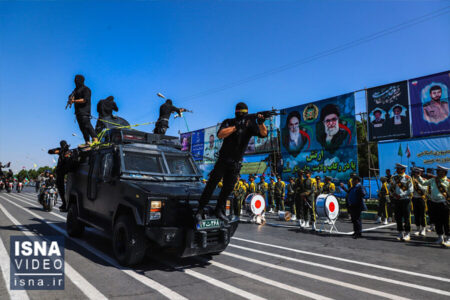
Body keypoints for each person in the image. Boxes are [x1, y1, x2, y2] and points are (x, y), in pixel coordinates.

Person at [195, 102, 267, 222]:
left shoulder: (250, 125)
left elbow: (264, 134)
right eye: (242, 113)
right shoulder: (229, 122)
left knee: (227, 189)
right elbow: (220, 134)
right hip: (223, 160)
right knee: (211, 186)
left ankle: (219, 210)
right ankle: (200, 210)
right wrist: (236, 127)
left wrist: (261, 123)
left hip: (236, 163)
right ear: (236, 113)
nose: (243, 116)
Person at [418, 165, 450, 246]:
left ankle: (448, 238)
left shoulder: (448, 182)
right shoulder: (433, 180)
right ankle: (440, 237)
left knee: (446, 222)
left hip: (444, 204)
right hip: (434, 203)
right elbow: (423, 183)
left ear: (444, 172)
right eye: (437, 171)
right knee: (438, 222)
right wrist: (418, 176)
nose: (438, 172)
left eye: (440, 171)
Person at [68, 75, 98, 147]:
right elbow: (70, 96)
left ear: (80, 80)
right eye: (75, 80)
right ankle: (87, 142)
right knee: (82, 128)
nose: (75, 82)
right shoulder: (75, 90)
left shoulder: (86, 89)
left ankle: (95, 140)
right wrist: (70, 98)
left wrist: (74, 101)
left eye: (77, 80)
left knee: (87, 125)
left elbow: (85, 100)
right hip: (78, 112)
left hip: (85, 111)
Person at [48, 140, 78, 211]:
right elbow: (50, 151)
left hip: (68, 170)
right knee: (60, 187)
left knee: (63, 187)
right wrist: (58, 151)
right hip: (62, 171)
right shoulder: (61, 151)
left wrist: (63, 151)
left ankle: (65, 203)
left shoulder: (70, 152)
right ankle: (64, 203)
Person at [389, 163, 414, 241]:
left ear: (403, 170)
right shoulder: (394, 178)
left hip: (405, 200)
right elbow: (390, 187)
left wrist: (401, 195)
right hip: (397, 200)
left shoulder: (408, 178)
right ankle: (400, 232)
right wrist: (393, 194)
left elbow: (411, 190)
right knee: (398, 217)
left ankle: (407, 233)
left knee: (406, 217)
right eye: (397, 169)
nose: (397, 170)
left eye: (398, 169)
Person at [411, 167, 427, 236]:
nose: (416, 174)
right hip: (414, 198)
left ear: (420, 173)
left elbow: (425, 189)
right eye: (415, 172)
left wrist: (418, 184)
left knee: (422, 214)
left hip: (421, 198)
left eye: (418, 173)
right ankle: (418, 229)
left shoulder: (424, 180)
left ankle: (423, 229)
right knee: (416, 214)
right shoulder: (411, 179)